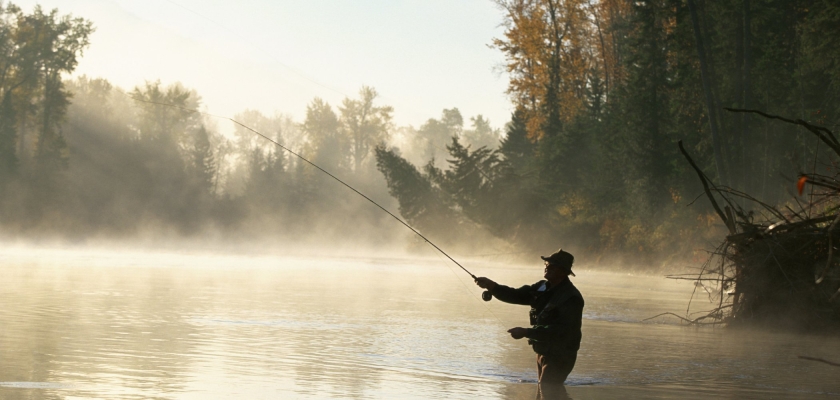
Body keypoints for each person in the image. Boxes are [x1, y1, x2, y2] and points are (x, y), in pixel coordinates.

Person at [474, 249, 584, 386]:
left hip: (561, 354)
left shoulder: (571, 297)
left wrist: (526, 332)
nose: (547, 267)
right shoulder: (541, 287)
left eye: (553, 265)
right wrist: (492, 286)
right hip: (543, 350)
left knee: (547, 389)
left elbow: (562, 331)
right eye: (547, 264)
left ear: (563, 271)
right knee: (544, 390)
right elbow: (516, 295)